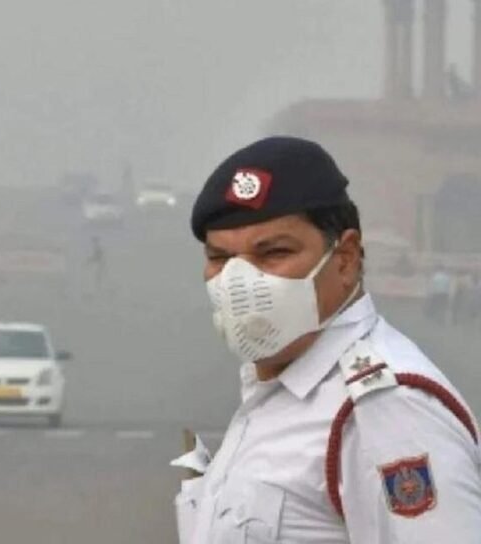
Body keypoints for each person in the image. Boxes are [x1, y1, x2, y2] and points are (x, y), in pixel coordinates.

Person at [177, 136, 481, 543]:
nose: (238, 282)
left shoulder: (385, 412)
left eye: (274, 253)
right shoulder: (278, 388)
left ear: (345, 259)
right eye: (220, 258)